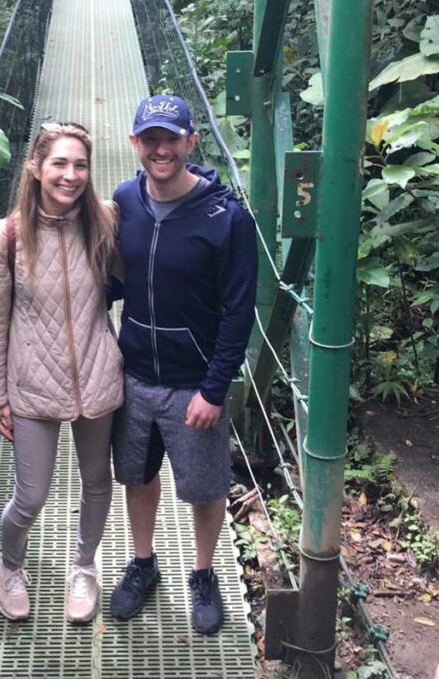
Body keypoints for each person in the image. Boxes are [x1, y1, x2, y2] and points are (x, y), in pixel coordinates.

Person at [108, 95, 258, 635]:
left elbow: (240, 309)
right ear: (135, 145)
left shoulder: (226, 218)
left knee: (205, 486)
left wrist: (215, 390)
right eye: (150, 139)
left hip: (192, 383)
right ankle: (143, 564)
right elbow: (114, 277)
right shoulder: (125, 200)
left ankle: (201, 573)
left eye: (171, 138)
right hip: (132, 376)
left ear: (192, 143)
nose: (161, 149)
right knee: (137, 475)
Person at [0, 121, 123, 624]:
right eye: (59, 164)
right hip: (32, 384)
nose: (71, 175)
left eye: (80, 164)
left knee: (96, 481)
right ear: (37, 168)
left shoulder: (104, 222)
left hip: (97, 377)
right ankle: (10, 565)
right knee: (31, 494)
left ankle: (84, 567)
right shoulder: (7, 237)